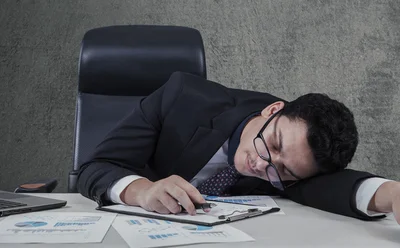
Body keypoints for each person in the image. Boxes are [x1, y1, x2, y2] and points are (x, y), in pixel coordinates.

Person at [77, 71, 400, 223]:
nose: (262, 164)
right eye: (271, 144)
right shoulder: (182, 97)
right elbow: (94, 169)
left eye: (283, 170)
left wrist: (392, 194)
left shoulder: (297, 159)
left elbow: (332, 186)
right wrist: (142, 190)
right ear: (273, 110)